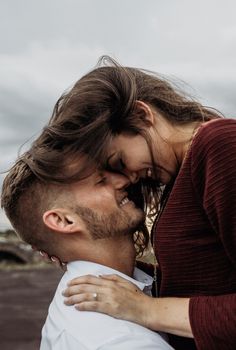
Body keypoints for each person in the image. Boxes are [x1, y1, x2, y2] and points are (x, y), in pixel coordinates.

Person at [27, 56, 236, 350]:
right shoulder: (180, 174)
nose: (128, 179)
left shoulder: (220, 144)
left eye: (119, 161)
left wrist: (144, 309)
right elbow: (206, 278)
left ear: (141, 116)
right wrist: (89, 257)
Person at [1, 152, 173, 350]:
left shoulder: (133, 285)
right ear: (64, 221)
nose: (125, 180)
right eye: (101, 181)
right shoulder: (118, 341)